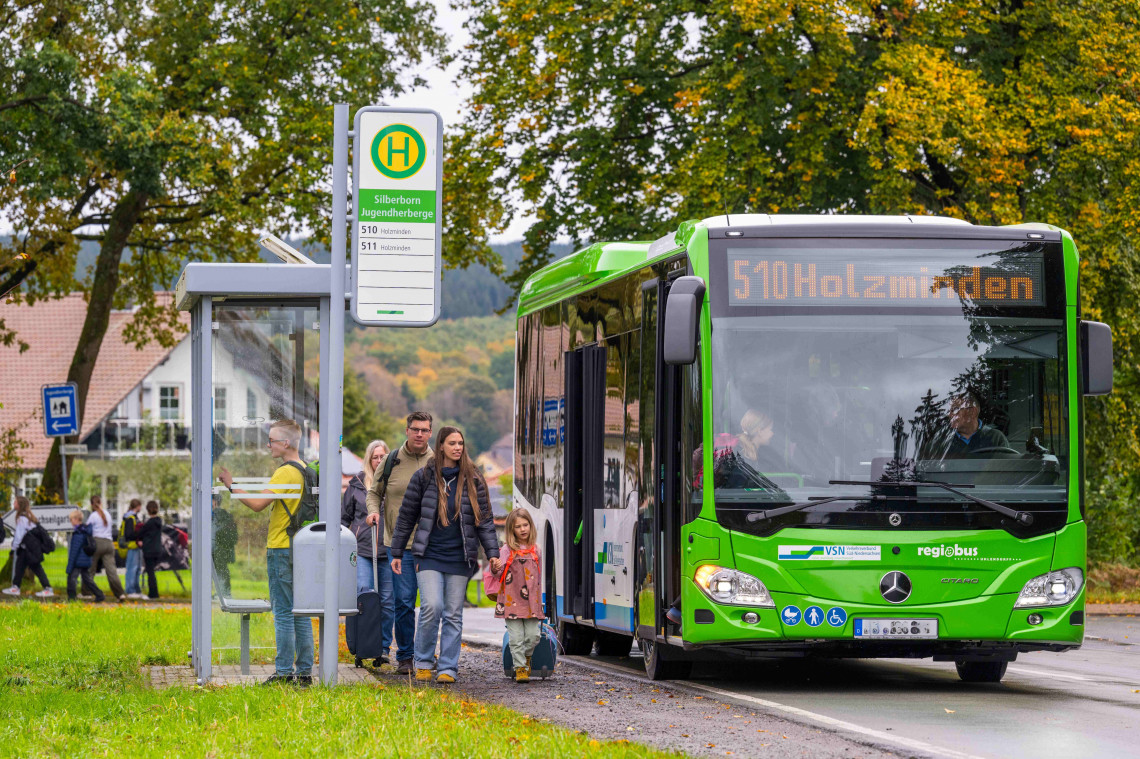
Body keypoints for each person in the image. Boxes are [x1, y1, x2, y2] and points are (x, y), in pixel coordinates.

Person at [390, 426, 501, 684]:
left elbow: (484, 521)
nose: (458, 448)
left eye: (460, 443)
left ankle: (448, 667)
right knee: (432, 606)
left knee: (453, 612)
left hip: (460, 557)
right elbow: (406, 517)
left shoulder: (474, 479)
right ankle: (425, 661)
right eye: (452, 443)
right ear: (441, 446)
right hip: (429, 554)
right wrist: (397, 552)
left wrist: (493, 553)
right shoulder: (424, 477)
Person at [218, 418, 314, 685]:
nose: (268, 444)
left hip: (282, 548)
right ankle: (304, 673)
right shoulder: (305, 469)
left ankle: (284, 673)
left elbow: (259, 503)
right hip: (300, 548)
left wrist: (231, 484)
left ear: (285, 443)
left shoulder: (285, 472)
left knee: (283, 612)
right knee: (300, 612)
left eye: (271, 440)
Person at [365, 413, 435, 676]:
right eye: (415, 429)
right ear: (406, 430)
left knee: (431, 604)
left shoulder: (437, 461)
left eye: (424, 430)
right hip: (400, 544)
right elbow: (374, 493)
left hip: (432, 545)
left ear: (431, 432)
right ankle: (406, 656)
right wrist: (373, 512)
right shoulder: (391, 460)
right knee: (404, 603)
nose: (419, 434)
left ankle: (426, 655)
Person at [341, 438, 390, 666]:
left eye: (383, 456)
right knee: (363, 596)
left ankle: (383, 646)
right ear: (369, 459)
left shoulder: (394, 483)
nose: (379, 460)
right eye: (375, 456)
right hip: (362, 550)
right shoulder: (357, 485)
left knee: (388, 600)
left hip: (388, 551)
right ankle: (362, 647)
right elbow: (345, 518)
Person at [493, 507, 544, 683]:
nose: (523, 529)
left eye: (525, 525)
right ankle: (520, 667)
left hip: (531, 602)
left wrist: (539, 600)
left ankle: (526, 658)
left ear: (531, 526)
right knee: (516, 638)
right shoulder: (507, 550)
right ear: (511, 530)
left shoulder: (536, 550)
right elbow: (498, 575)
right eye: (518, 526)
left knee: (532, 635)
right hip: (511, 601)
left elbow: (538, 578)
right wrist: (495, 568)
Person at [2, 496, 53, 597]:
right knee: (20, 566)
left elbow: (19, 535)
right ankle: (15, 587)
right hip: (29, 548)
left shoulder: (21, 518)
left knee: (36, 567)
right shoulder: (28, 516)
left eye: (15, 502)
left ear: (19, 505)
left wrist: (13, 548)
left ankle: (48, 588)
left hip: (28, 548)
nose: (13, 504)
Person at [940, 389, 1010, 458]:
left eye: (954, 410)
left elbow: (1004, 467)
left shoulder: (996, 438)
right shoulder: (942, 441)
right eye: (948, 411)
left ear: (972, 412)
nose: (949, 415)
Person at [86, 495, 125, 603]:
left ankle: (86, 592)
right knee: (111, 571)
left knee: (90, 569)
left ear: (91, 504)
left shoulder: (93, 516)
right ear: (101, 503)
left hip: (97, 543)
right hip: (109, 543)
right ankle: (120, 594)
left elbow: (87, 529)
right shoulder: (107, 514)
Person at [65, 509, 104, 603]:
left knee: (71, 578)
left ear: (76, 519)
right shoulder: (85, 530)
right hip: (85, 559)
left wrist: (70, 565)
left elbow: (74, 551)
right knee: (87, 579)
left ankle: (71, 598)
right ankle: (99, 594)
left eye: (71, 519)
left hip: (78, 561)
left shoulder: (78, 533)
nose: (71, 522)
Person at [132, 501, 164, 600]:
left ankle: (153, 593)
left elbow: (139, 534)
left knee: (150, 572)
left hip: (149, 550)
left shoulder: (148, 523)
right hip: (157, 549)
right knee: (152, 571)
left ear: (148, 510)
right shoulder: (159, 522)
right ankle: (154, 592)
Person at [120, 499, 145, 599]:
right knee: (132, 568)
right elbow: (129, 534)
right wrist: (138, 537)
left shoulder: (133, 517)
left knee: (137, 569)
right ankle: (130, 590)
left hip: (136, 546)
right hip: (132, 546)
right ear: (138, 506)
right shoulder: (130, 518)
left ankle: (136, 589)